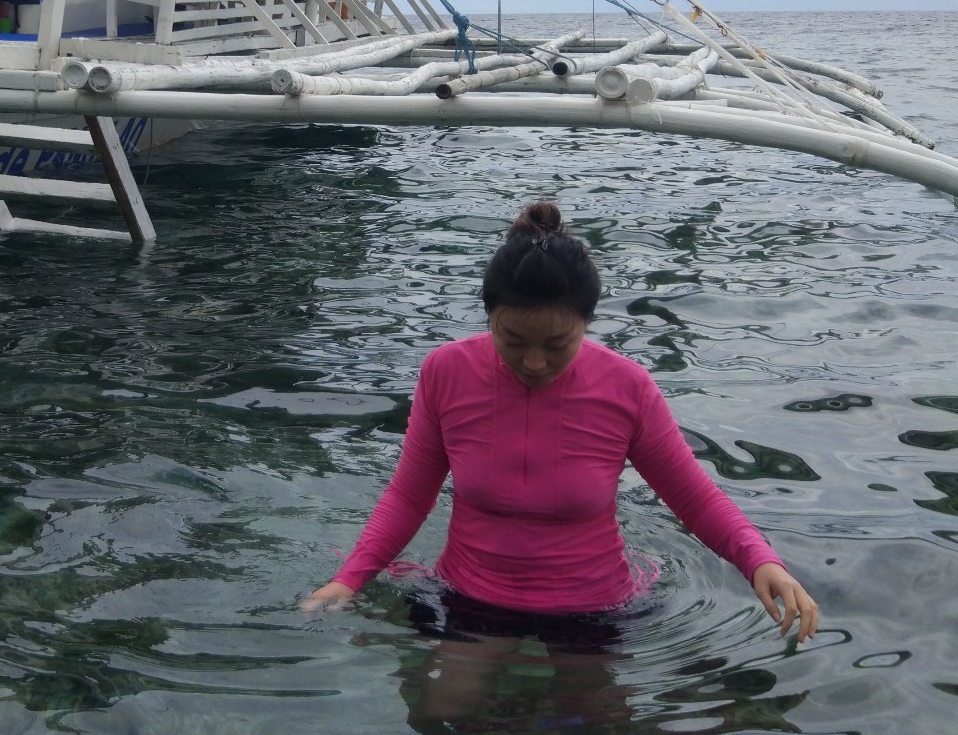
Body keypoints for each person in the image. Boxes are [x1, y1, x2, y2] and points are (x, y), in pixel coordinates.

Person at [303, 201, 819, 641]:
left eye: (557, 345)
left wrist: (759, 560)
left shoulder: (628, 388)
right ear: (489, 318)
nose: (533, 363)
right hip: (470, 596)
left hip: (595, 608)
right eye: (513, 341)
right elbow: (408, 495)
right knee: (443, 719)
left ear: (587, 324)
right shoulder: (446, 372)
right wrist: (349, 580)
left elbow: (694, 497)